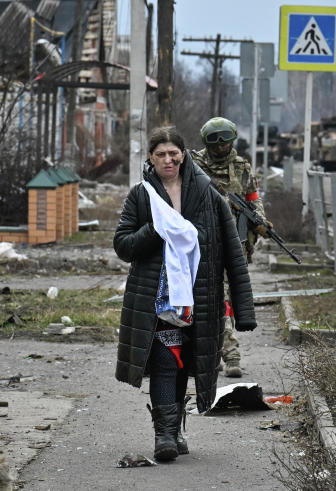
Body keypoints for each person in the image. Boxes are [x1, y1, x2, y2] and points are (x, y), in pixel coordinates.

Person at [113, 125, 256, 462]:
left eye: (173, 153)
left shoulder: (208, 195)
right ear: (150, 157)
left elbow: (233, 253)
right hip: (156, 296)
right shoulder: (141, 195)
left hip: (199, 297)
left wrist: (244, 309)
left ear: (183, 154)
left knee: (182, 364)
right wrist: (154, 230)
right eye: (160, 154)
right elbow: (123, 245)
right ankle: (164, 433)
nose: (167, 159)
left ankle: (176, 427)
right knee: (165, 359)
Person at [191, 117, 271, 378]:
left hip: (235, 244)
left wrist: (259, 220)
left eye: (226, 143)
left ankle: (216, 351)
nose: (222, 148)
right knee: (216, 298)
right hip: (202, 242)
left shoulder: (242, 168)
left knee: (226, 298)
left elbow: (253, 199)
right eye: (216, 144)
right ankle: (230, 352)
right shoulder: (194, 166)